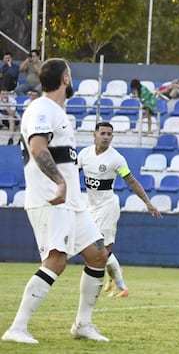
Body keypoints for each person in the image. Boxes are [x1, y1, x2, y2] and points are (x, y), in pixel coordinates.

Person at [2, 58, 110, 344]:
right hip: (51, 199)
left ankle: (83, 325)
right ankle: (17, 327)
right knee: (57, 260)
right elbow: (37, 148)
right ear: (66, 79)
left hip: (73, 203)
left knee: (98, 255)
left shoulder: (59, 113)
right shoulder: (41, 108)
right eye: (70, 76)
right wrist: (60, 182)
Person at [77, 121, 162, 297]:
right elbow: (71, 174)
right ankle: (115, 278)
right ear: (95, 134)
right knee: (99, 252)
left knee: (103, 251)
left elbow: (131, 181)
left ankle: (121, 287)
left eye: (109, 134)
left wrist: (147, 202)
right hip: (90, 207)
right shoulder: (84, 154)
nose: (106, 137)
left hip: (108, 207)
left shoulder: (116, 158)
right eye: (103, 133)